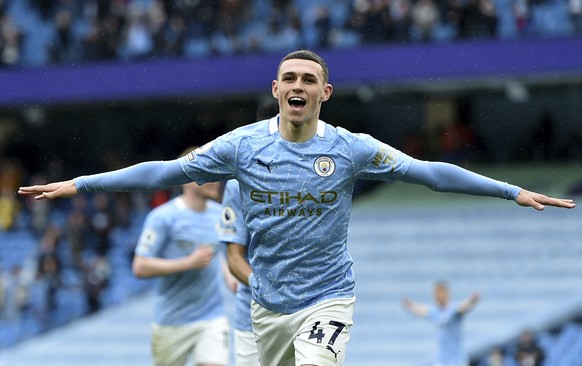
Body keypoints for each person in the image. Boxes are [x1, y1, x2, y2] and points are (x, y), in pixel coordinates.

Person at [18, 49, 575, 366]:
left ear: (324, 93)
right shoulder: (241, 146)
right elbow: (163, 171)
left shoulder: (351, 148)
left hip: (329, 296)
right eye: (290, 78)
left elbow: (430, 174)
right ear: (277, 88)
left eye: (310, 79)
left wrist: (511, 191)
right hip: (267, 305)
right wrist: (81, 184)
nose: (299, 85)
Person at [131, 147, 235, 366]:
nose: (216, 179)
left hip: (212, 318)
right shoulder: (163, 217)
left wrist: (230, 275)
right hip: (172, 322)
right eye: (208, 173)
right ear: (188, 178)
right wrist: (188, 263)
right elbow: (140, 267)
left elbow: (220, 252)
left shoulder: (221, 215)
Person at [218, 101, 279, 366]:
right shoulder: (236, 185)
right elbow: (233, 255)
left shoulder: (315, 174)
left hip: (306, 311)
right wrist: (263, 288)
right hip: (252, 316)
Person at [402, 281, 480, 366]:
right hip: (441, 361)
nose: (438, 296)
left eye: (441, 293)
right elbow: (422, 310)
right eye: (436, 294)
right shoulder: (435, 312)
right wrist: (410, 306)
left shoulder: (453, 310)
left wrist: (471, 301)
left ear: (447, 294)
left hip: (457, 361)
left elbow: (463, 307)